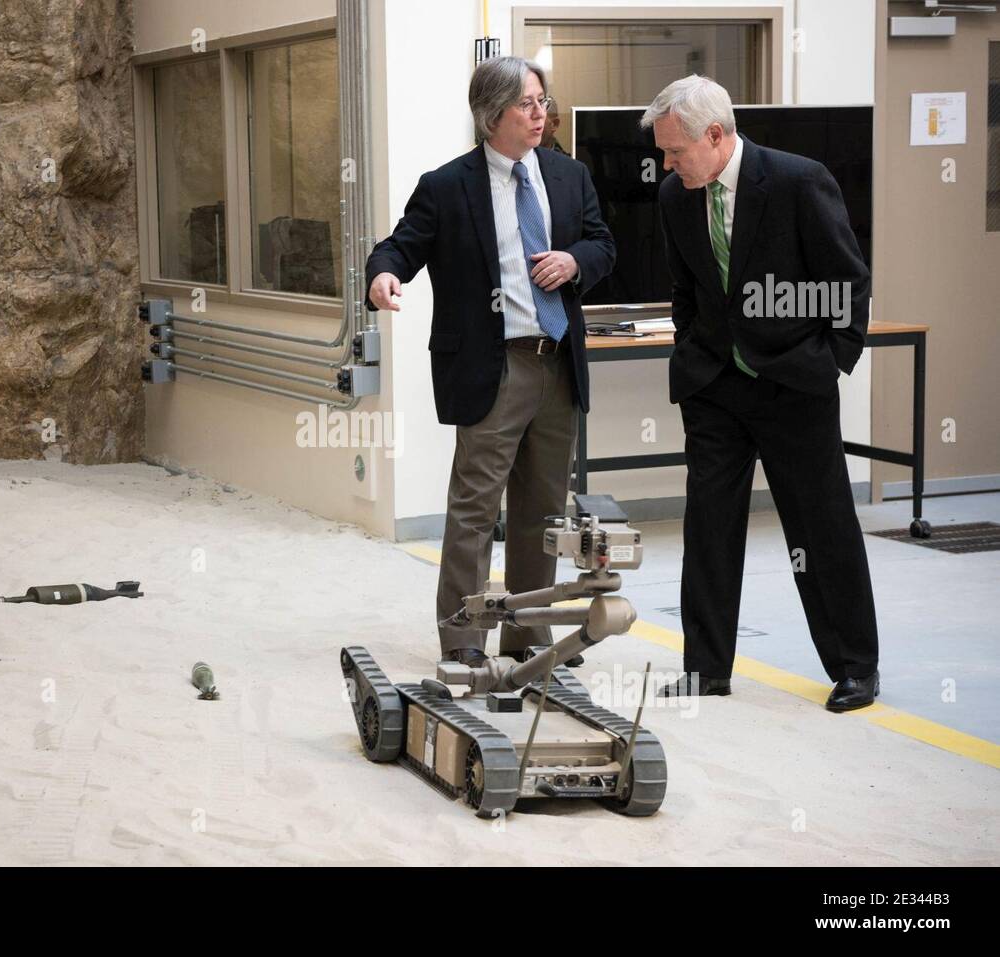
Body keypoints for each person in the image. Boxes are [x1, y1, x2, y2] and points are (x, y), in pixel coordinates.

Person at [363, 56, 615, 667]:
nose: (541, 113)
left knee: (543, 510)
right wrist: (384, 276)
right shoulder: (448, 186)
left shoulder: (568, 174)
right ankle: (465, 639)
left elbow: (604, 243)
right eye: (527, 104)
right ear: (491, 115)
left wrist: (575, 261)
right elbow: (398, 246)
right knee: (475, 510)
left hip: (556, 362)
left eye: (542, 101)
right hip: (494, 368)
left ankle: (528, 633)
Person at [641, 75, 880, 712]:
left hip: (793, 385)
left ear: (715, 136)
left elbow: (847, 280)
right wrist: (691, 347)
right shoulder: (674, 195)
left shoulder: (799, 181)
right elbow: (687, 290)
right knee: (710, 525)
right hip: (715, 385)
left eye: (676, 150)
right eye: (664, 152)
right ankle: (706, 669)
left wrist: (830, 359)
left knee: (819, 524)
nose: (667, 163)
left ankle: (856, 666)